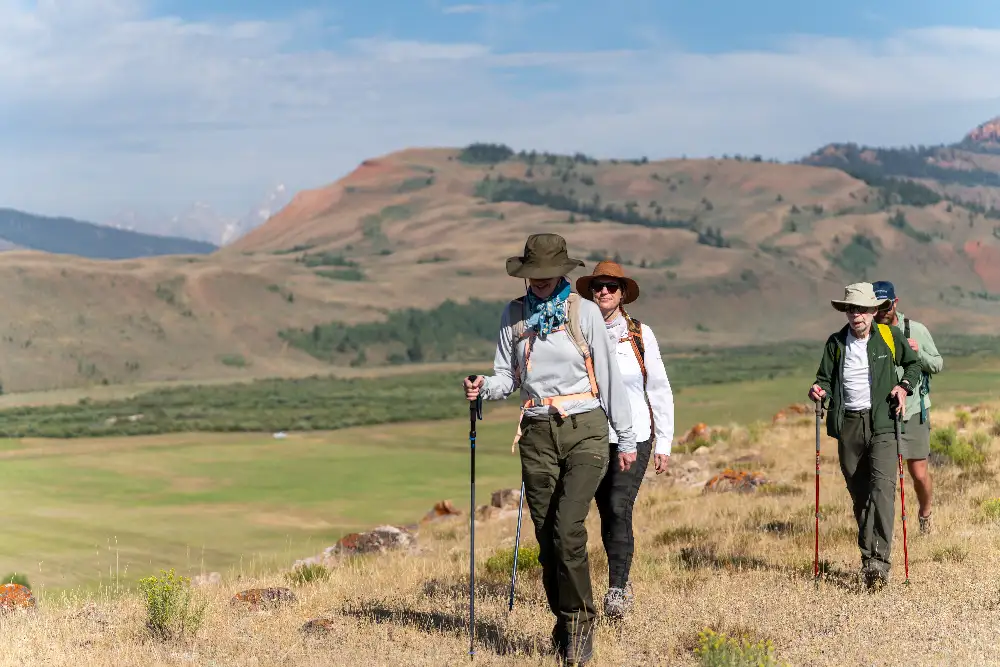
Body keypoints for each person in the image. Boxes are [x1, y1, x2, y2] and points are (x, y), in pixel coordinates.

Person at [463, 233, 636, 665]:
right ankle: (563, 618)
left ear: (561, 271)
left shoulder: (586, 312)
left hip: (586, 428)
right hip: (537, 431)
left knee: (568, 529)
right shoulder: (514, 315)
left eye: (546, 274)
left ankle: (579, 624)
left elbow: (611, 379)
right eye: (532, 274)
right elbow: (508, 376)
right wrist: (485, 387)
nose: (539, 282)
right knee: (546, 540)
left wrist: (627, 437)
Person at [574, 260, 674, 619]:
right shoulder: (578, 332)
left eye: (611, 286)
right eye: (598, 285)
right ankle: (605, 581)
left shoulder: (640, 335)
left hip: (636, 436)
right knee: (602, 511)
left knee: (618, 505)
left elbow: (659, 388)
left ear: (622, 294)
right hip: (591, 436)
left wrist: (664, 443)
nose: (603, 291)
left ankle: (618, 588)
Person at [808, 282, 921, 590]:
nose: (855, 315)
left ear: (873, 311)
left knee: (882, 490)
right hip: (848, 425)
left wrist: (903, 387)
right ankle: (868, 556)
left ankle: (879, 564)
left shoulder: (888, 336)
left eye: (861, 309)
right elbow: (823, 380)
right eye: (850, 309)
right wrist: (818, 390)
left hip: (883, 422)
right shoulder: (835, 343)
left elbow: (913, 366)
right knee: (860, 496)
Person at [873, 280, 943, 535]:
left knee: (918, 473)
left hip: (914, 410)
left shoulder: (916, 330)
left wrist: (918, 354)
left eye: (886, 305)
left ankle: (926, 516)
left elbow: (937, 364)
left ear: (895, 302)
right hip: (880, 413)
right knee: (882, 476)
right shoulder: (867, 333)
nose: (882, 311)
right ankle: (883, 529)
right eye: (878, 306)